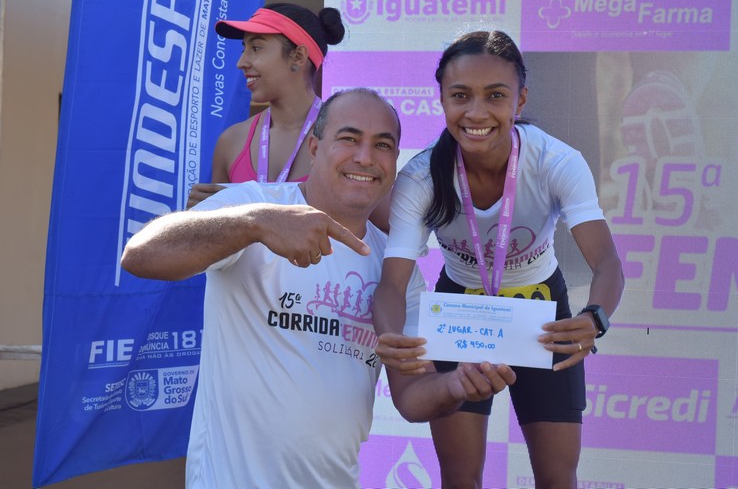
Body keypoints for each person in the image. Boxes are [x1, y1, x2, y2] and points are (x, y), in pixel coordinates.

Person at [121, 88, 516, 488]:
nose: (365, 157)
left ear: (394, 163)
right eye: (349, 138)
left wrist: (456, 385)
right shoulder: (256, 205)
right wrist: (255, 223)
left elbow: (412, 396)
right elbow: (141, 254)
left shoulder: (397, 272)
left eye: (383, 145)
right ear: (314, 146)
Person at [372, 31, 625, 488]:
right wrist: (391, 337)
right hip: (460, 311)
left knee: (557, 477)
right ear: (442, 100)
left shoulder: (556, 162)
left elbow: (607, 262)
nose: (476, 112)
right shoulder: (421, 176)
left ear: (520, 99)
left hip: (542, 309)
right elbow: (392, 285)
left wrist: (596, 317)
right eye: (460, 96)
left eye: (495, 96)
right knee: (460, 477)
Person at [186, 2, 344, 207]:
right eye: (244, 48)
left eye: (256, 48)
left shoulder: (346, 139)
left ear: (298, 56)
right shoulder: (231, 142)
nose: (241, 62)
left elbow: (377, 228)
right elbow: (215, 235)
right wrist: (203, 213)